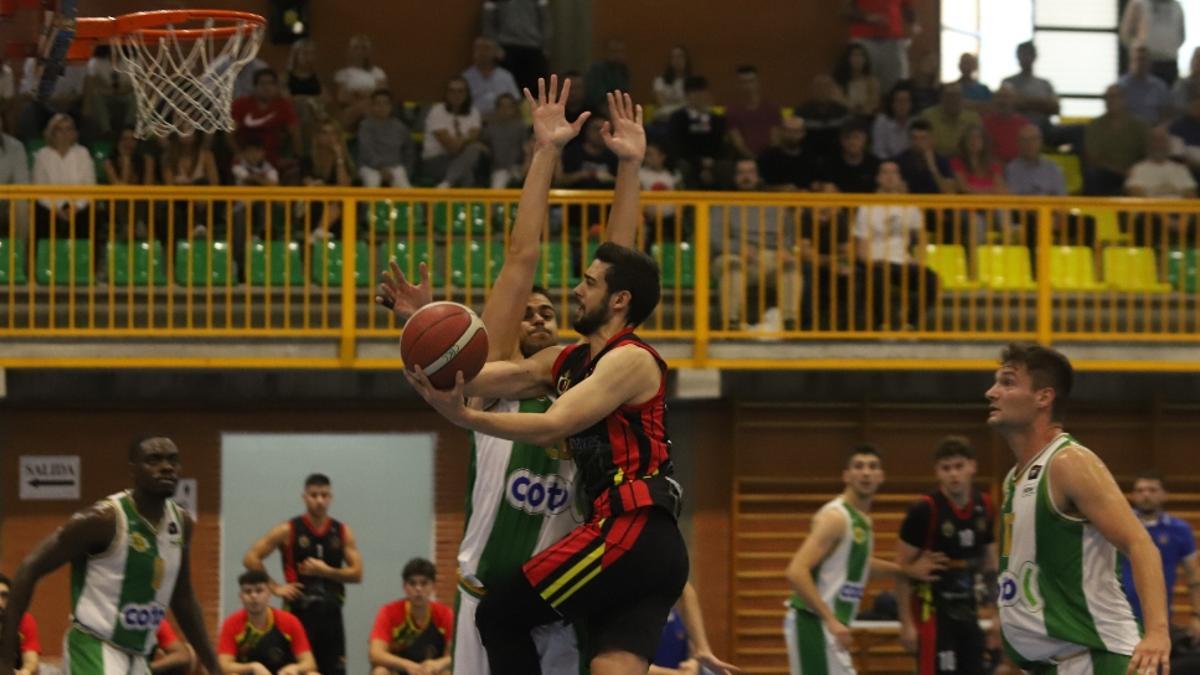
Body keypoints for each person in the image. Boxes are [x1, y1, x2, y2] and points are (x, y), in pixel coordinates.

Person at [405, 142, 734, 675]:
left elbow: (555, 423)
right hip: (617, 550)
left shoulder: (623, 363)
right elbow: (473, 373)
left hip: (619, 535)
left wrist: (464, 417)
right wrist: (426, 350)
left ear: (618, 300)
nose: (573, 292)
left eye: (580, 287)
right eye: (529, 310)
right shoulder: (562, 364)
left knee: (502, 618)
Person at [378, 77, 661, 675]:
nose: (537, 314)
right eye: (526, 311)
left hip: (561, 610)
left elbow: (619, 269)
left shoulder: (586, 379)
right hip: (485, 604)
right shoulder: (493, 380)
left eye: (548, 310)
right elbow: (520, 255)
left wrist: (629, 167)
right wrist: (545, 152)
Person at [987, 343, 1170, 673]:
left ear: (1044, 397)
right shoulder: (1012, 479)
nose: (991, 392)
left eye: (1007, 382)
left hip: (1097, 659)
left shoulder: (1068, 462)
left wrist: (1157, 633)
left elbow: (1140, 544)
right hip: (1049, 665)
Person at [0, 435, 220, 675]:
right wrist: (5, 659)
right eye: (154, 460)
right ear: (133, 470)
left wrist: (215, 667)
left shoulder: (181, 523)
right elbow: (29, 567)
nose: (166, 466)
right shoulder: (103, 519)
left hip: (139, 656)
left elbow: (184, 599)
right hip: (95, 645)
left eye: (172, 460)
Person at [783, 444, 945, 675]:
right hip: (813, 623)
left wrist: (905, 570)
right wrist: (830, 619)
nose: (866, 472)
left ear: (881, 477)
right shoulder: (836, 518)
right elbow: (796, 571)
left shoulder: (862, 521)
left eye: (872, 467)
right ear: (846, 475)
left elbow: (857, 566)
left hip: (826, 626)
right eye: (858, 466)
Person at [896, 436, 999, 675]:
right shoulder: (924, 510)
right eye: (946, 468)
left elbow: (991, 566)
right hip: (932, 613)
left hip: (968, 610)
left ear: (972, 466)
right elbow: (899, 570)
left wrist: (997, 615)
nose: (954, 474)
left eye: (959, 466)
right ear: (937, 472)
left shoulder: (985, 506)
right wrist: (907, 624)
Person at [243, 474, 363, 675]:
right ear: (304, 497)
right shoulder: (288, 529)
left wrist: (326, 571)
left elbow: (357, 573)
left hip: (331, 613)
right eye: (314, 495)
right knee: (295, 670)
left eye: (324, 495)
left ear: (331, 497)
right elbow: (251, 557)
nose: (319, 500)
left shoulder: (342, 531)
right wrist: (276, 588)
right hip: (298, 612)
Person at [710, 158, 801, 332]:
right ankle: (731, 324)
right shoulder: (721, 203)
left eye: (750, 172)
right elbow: (716, 239)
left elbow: (789, 235)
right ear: (734, 177)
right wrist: (738, 248)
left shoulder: (775, 204)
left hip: (771, 256)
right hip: (735, 255)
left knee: (791, 264)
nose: (746, 177)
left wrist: (786, 249)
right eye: (741, 173)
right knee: (732, 265)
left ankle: (790, 323)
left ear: (758, 176)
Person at [853, 160, 939, 330]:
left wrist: (918, 259)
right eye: (885, 172)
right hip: (877, 262)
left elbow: (921, 238)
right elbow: (861, 247)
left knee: (931, 279)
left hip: (903, 262)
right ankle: (883, 324)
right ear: (878, 178)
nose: (890, 177)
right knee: (875, 277)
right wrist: (869, 262)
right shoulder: (866, 207)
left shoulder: (910, 206)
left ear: (900, 178)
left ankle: (909, 323)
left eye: (894, 172)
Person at [1121, 470, 1200, 642]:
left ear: (1164, 495)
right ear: (1133, 495)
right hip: (1118, 616)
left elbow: (1194, 577)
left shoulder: (1180, 530)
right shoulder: (1119, 525)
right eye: (1140, 490)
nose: (1146, 495)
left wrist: (1197, 615)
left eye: (1152, 490)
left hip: (1159, 618)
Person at [218, 570, 317, 675]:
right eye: (248, 592)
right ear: (241, 597)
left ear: (269, 594)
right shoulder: (231, 623)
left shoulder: (290, 621)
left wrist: (295, 668)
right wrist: (252, 667)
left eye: (259, 591)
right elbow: (223, 665)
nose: (254, 596)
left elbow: (310, 663)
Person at [368, 558, 453, 675]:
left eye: (424, 583)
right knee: (380, 671)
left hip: (430, 671)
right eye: (412, 583)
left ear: (433, 586)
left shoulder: (445, 614)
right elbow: (375, 654)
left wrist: (439, 663)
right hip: (399, 671)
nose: (418, 589)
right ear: (404, 586)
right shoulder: (388, 612)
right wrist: (407, 665)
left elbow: (455, 654)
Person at [1126, 126, 1197, 248]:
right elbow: (1139, 197)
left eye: (1162, 140)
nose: (1158, 145)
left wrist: (1185, 220)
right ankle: (1152, 261)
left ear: (1168, 145)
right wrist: (1167, 221)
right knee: (1145, 220)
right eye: (1155, 140)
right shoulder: (1139, 169)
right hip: (1152, 215)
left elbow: (1191, 196)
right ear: (1148, 144)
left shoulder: (1180, 169)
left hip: (1179, 212)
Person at [230, 69, 301, 182]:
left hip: (273, 158)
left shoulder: (283, 105)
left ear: (276, 86)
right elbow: (228, 133)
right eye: (262, 84)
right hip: (246, 157)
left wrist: (294, 156)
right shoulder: (241, 104)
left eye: (271, 83)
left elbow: (295, 133)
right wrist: (238, 153)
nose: (267, 88)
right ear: (254, 86)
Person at [1083, 85, 1148, 196]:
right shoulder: (1095, 125)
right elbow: (1093, 158)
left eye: (1115, 97)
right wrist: (1121, 171)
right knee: (1093, 176)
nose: (1111, 101)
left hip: (1136, 173)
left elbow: (1147, 152)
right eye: (1107, 98)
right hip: (1106, 174)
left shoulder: (1139, 126)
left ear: (1125, 100)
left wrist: (1136, 170)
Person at [421, 77, 485, 188]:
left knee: (474, 149)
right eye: (452, 91)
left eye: (460, 91)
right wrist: (467, 138)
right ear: (446, 94)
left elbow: (473, 139)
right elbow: (452, 148)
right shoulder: (437, 111)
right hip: (435, 161)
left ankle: (445, 185)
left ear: (467, 94)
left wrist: (466, 141)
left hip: (462, 159)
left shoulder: (474, 112)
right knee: (467, 173)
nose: (456, 95)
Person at [844, 0, 918, 94]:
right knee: (862, 87)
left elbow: (908, 6)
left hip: (893, 41)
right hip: (864, 40)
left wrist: (913, 25)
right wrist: (868, 18)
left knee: (897, 86)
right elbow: (846, 10)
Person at [482, 0, 553, 95]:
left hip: (534, 48)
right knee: (508, 93)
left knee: (535, 93)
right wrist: (496, 48)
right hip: (506, 49)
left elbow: (545, 19)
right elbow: (487, 22)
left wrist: (545, 47)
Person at [668, 76, 728, 183]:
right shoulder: (678, 118)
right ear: (687, 96)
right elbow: (678, 145)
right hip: (689, 160)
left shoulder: (716, 119)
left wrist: (710, 162)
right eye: (695, 93)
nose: (700, 97)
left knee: (724, 167)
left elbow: (721, 144)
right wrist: (700, 162)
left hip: (713, 161)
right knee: (684, 167)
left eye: (702, 92)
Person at [1120, 0, 1186, 86]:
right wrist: (1139, 52)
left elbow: (1181, 36)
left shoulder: (1177, 6)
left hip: (1169, 62)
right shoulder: (1138, 3)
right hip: (1145, 63)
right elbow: (1126, 35)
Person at [1000, 42, 1060, 136]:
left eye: (1027, 54)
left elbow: (1055, 108)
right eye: (1021, 55)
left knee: (1080, 130)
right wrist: (1042, 104)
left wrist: (1024, 101)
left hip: (1044, 128)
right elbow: (1009, 105)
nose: (1025, 58)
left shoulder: (1045, 83)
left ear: (1034, 57)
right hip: (1016, 128)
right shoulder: (1008, 82)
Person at [357, 90, 412, 189]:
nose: (382, 107)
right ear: (372, 106)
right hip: (370, 167)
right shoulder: (365, 126)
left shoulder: (400, 127)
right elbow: (366, 151)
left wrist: (407, 169)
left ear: (391, 106)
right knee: (372, 182)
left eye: (385, 104)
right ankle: (369, 205)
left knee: (404, 187)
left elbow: (408, 151)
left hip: (395, 166)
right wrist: (381, 167)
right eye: (378, 104)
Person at [333, 34, 388, 133]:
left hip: (375, 109)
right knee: (357, 110)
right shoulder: (342, 74)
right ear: (350, 50)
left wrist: (357, 94)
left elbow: (381, 95)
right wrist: (368, 96)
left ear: (368, 51)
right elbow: (343, 97)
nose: (360, 51)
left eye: (364, 48)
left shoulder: (378, 72)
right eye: (356, 47)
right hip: (352, 111)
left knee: (372, 109)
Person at [727, 64, 782, 159]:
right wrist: (754, 159)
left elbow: (775, 140)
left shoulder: (772, 107)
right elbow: (738, 143)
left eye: (751, 81)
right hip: (745, 159)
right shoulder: (732, 110)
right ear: (738, 85)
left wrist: (766, 160)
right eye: (743, 82)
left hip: (771, 158)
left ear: (758, 82)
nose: (748, 86)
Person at [758, 115, 820, 191]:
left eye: (796, 131)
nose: (792, 135)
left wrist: (817, 186)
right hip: (776, 200)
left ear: (803, 133)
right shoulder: (767, 156)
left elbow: (817, 182)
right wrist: (780, 189)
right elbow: (760, 186)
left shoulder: (811, 156)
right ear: (781, 131)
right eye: (788, 130)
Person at [919, 84, 982, 158]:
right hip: (935, 161)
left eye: (957, 96)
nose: (954, 100)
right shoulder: (927, 117)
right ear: (941, 98)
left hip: (965, 163)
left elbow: (979, 148)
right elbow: (921, 145)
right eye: (949, 96)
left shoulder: (973, 118)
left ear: (963, 99)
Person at [463, 36, 521, 118]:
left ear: (495, 52)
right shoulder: (466, 77)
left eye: (486, 48)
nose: (482, 53)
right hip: (474, 123)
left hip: (502, 123)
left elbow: (516, 103)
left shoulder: (506, 76)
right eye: (479, 48)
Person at [795, 75, 852, 158]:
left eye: (826, 87)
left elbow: (848, 137)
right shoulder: (801, 112)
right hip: (807, 158)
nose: (822, 91)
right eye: (818, 87)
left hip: (837, 158)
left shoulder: (843, 112)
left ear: (832, 90)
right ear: (812, 90)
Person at [894, 119, 955, 195]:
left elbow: (950, 192)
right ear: (910, 140)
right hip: (909, 204)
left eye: (923, 138)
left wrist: (933, 167)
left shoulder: (942, 161)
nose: (918, 142)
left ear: (931, 139)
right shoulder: (900, 160)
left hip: (935, 204)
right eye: (915, 138)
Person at [481, 93, 528, 189]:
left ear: (514, 109)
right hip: (499, 169)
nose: (505, 109)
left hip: (518, 168)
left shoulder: (521, 127)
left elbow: (526, 147)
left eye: (509, 106)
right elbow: (483, 147)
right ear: (497, 109)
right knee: (500, 179)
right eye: (502, 106)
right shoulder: (490, 128)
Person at [820, 122, 880, 194]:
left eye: (856, 137)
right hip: (839, 203)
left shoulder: (875, 164)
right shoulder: (830, 164)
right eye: (847, 137)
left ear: (866, 140)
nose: (852, 142)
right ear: (841, 141)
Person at [1119, 45, 1172, 125]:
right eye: (1137, 60)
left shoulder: (1160, 86)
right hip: (1128, 130)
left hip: (1153, 130)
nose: (1140, 63)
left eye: (1143, 60)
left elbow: (1166, 115)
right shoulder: (1120, 86)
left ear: (1150, 63)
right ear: (1130, 62)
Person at [950, 126, 1007, 196]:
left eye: (978, 138)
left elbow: (1000, 189)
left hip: (991, 204)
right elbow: (963, 188)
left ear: (984, 142)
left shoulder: (994, 165)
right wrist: (989, 191)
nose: (973, 141)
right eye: (970, 138)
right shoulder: (957, 162)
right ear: (964, 142)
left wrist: (976, 190)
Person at [0, 573, 38, 675]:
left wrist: (25, 671)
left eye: (4, 596)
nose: (0, 602)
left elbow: (31, 660)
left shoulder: (24, 620)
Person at [982, 85, 1028, 164]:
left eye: (1006, 97)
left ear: (1014, 99)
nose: (1003, 101)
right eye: (999, 97)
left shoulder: (1024, 124)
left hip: (1018, 168)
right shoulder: (985, 122)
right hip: (991, 168)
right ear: (994, 99)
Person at [833, 43, 881, 118]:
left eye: (861, 56)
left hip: (866, 119)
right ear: (847, 59)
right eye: (854, 56)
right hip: (844, 119)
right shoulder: (839, 81)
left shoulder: (872, 82)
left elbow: (873, 103)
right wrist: (853, 108)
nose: (857, 59)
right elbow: (838, 101)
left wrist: (862, 110)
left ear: (865, 60)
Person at [585, 38, 631, 113]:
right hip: (596, 112)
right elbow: (598, 99)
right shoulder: (597, 69)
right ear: (606, 52)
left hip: (618, 109)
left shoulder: (623, 70)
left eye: (620, 51)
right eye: (614, 51)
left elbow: (625, 94)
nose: (617, 54)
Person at [871, 84, 914, 160]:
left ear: (911, 104)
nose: (902, 105)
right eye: (899, 101)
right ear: (892, 104)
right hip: (888, 166)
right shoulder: (882, 122)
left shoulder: (914, 122)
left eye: (906, 101)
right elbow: (879, 152)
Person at [652, 46, 691, 123]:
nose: (677, 60)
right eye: (674, 57)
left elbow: (693, 104)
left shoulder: (692, 82)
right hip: (667, 116)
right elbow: (662, 104)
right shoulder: (660, 81)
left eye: (680, 56)